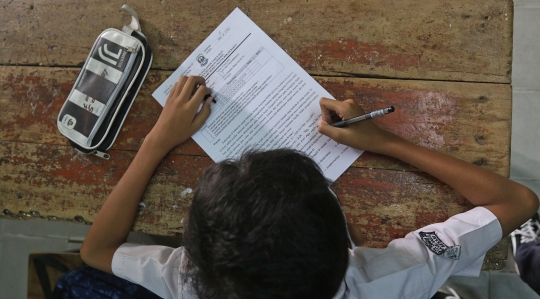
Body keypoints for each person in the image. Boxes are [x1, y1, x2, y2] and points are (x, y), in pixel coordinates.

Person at [80, 75, 539, 299]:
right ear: (344, 244)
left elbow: (96, 251)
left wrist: (157, 140)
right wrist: (385, 142)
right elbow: (517, 201)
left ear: (193, 251)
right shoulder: (391, 278)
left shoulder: (192, 284)